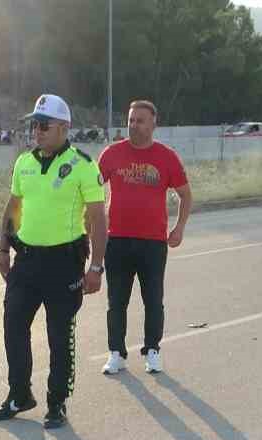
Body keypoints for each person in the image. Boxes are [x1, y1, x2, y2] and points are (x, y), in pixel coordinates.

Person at [0, 93, 107, 430]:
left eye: (44, 125)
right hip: (26, 261)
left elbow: (98, 219)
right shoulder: (24, 163)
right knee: (13, 326)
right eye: (33, 125)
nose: (36, 131)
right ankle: (19, 394)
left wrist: (96, 267)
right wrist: (2, 250)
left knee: (59, 335)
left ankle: (57, 403)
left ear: (64, 127)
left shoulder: (83, 166)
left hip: (64, 263)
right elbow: (13, 209)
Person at [97, 100, 190, 376]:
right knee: (117, 301)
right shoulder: (112, 154)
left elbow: (185, 195)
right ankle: (116, 353)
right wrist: (94, 226)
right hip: (118, 240)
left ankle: (153, 351)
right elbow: (91, 191)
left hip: (153, 242)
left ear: (153, 124)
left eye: (140, 120)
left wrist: (179, 228)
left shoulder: (166, 156)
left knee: (153, 299)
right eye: (131, 120)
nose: (133, 125)